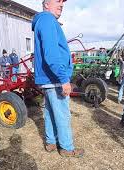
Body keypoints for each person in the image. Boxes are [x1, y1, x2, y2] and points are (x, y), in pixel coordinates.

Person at [32, 0, 84, 157]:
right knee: (62, 113)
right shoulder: (48, 20)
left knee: (50, 111)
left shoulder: (42, 20)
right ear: (46, 3)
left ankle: (51, 142)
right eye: (57, 1)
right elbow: (51, 53)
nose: (62, 4)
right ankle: (67, 148)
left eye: (63, 2)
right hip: (54, 78)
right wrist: (64, 79)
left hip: (48, 79)